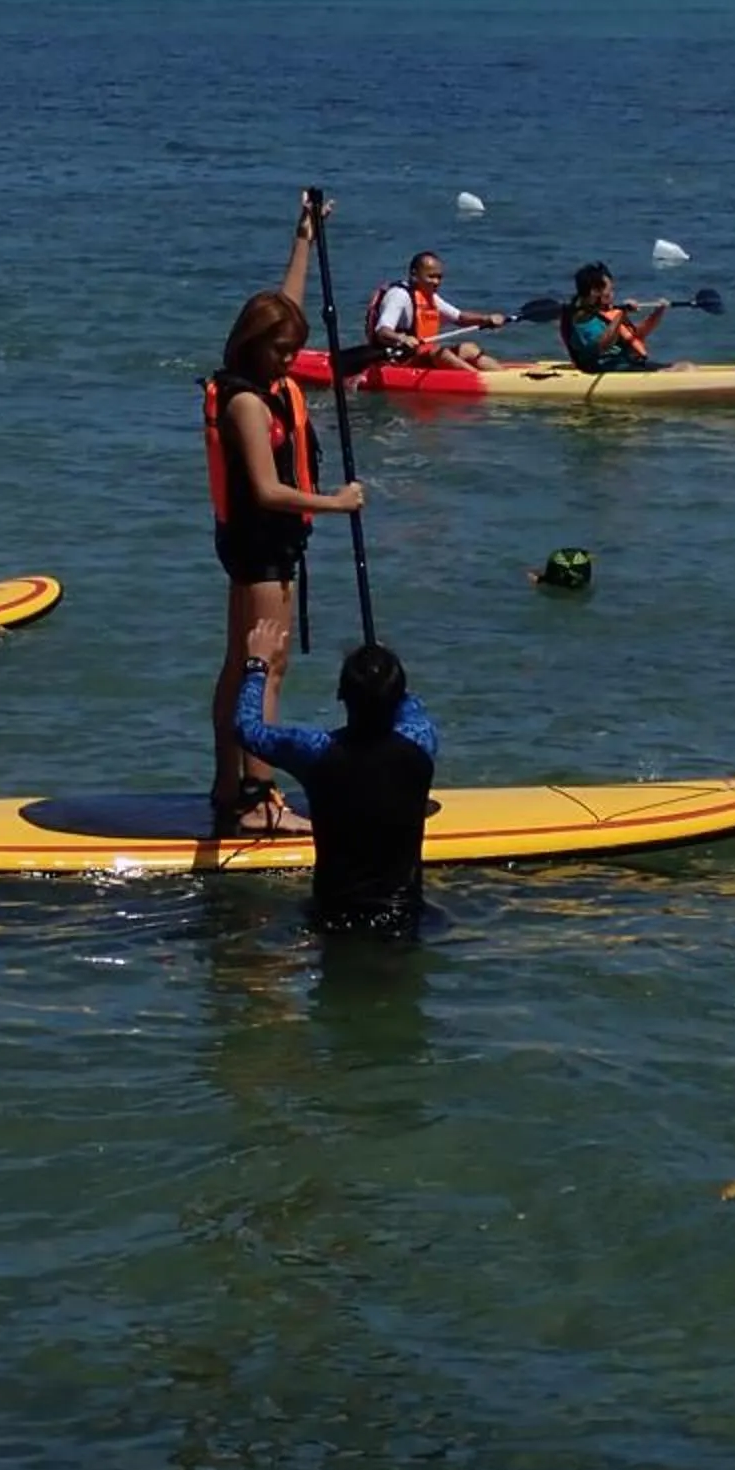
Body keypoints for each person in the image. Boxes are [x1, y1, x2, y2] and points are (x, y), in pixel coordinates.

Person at [207, 191, 369, 836]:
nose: (287, 360)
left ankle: (230, 783)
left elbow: (289, 305)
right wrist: (336, 503)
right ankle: (257, 797)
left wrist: (303, 236)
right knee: (263, 665)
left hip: (268, 546)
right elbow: (268, 489)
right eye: (279, 350)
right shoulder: (247, 402)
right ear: (254, 346)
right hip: (259, 544)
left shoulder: (266, 377)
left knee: (244, 662)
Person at [234, 615, 438, 939]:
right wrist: (384, 665)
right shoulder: (422, 742)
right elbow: (410, 704)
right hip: (405, 917)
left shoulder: (316, 752)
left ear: (340, 694)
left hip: (333, 918)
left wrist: (257, 664)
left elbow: (248, 729)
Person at [364, 251, 508, 370]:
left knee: (469, 348)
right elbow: (382, 331)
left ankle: (503, 377)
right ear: (414, 275)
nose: (436, 282)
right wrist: (402, 338)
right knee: (440, 353)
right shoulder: (399, 295)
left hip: (420, 355)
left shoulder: (428, 296)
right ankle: (479, 378)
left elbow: (459, 318)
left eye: (439, 277)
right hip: (396, 359)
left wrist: (487, 319)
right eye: (431, 277)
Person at [559, 263, 665, 373]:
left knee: (680, 366)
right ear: (594, 292)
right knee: (673, 371)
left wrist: (657, 313)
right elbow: (603, 345)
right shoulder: (581, 318)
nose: (612, 296)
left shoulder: (601, 313)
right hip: (604, 367)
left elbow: (635, 336)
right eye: (608, 293)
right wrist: (622, 313)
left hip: (622, 363)